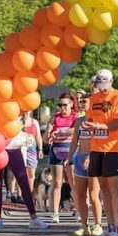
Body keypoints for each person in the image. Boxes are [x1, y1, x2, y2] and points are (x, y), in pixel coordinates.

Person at [83, 69, 118, 236]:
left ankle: (117, 229)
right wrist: (88, 127)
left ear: (111, 81)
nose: (101, 89)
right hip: (97, 148)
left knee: (113, 188)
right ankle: (109, 227)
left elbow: (117, 123)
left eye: (104, 84)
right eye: (98, 85)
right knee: (103, 188)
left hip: (113, 148)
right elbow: (90, 119)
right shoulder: (93, 99)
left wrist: (97, 126)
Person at [0, 118, 49, 230]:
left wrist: (26, 134)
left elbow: (20, 129)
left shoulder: (19, 113)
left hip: (14, 147)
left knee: (24, 182)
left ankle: (34, 218)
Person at [65, 95, 103, 236]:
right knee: (79, 194)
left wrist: (91, 156)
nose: (82, 104)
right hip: (80, 158)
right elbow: (75, 141)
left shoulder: (97, 121)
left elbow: (99, 141)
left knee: (94, 194)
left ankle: (98, 224)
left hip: (93, 158)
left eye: (85, 101)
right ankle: (84, 225)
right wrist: (69, 158)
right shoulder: (79, 121)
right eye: (80, 101)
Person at [44, 92, 77, 224]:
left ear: (71, 104)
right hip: (57, 150)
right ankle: (55, 213)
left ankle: (78, 210)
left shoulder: (75, 117)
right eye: (60, 105)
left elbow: (76, 130)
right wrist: (49, 133)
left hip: (70, 149)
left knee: (73, 182)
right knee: (57, 182)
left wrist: (62, 131)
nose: (62, 108)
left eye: (65, 105)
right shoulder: (55, 117)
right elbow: (46, 138)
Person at [22, 110, 43, 193]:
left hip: (32, 148)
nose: (26, 113)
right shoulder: (18, 121)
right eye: (24, 111)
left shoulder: (34, 122)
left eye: (28, 111)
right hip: (21, 147)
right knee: (22, 172)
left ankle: (30, 192)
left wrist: (40, 149)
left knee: (31, 173)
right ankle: (21, 194)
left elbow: (38, 136)